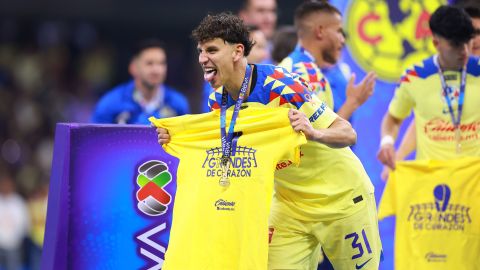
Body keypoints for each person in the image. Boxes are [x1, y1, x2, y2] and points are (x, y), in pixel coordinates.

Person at [158, 12, 382, 270]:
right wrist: (177, 139)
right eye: (200, 51)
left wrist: (314, 132)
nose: (202, 58)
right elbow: (219, 153)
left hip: (342, 199)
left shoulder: (280, 85)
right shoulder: (216, 103)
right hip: (288, 207)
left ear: (237, 51)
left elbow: (347, 133)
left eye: (211, 50)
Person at [379, 5, 480, 180]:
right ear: (436, 43)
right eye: (456, 44)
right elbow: (394, 119)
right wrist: (388, 143)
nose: (464, 50)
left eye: (467, 41)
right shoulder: (414, 76)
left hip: (475, 182)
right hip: (432, 183)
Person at [279, 1, 376, 120]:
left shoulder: (299, 66)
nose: (342, 40)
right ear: (320, 31)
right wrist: (353, 102)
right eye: (338, 31)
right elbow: (321, 135)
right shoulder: (304, 73)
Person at [91, 39, 189, 124]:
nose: (156, 70)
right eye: (149, 63)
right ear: (133, 67)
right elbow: (95, 141)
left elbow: (185, 141)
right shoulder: (110, 103)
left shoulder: (178, 103)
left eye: (161, 63)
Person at [201, 25, 270, 112]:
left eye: (265, 47)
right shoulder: (215, 87)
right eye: (259, 47)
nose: (265, 54)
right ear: (239, 51)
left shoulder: (276, 81)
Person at [0, 169, 30, 270]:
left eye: (8, 184)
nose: (5, 187)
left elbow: (25, 223)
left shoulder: (18, 202)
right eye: (3, 184)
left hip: (14, 245)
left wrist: (17, 239)